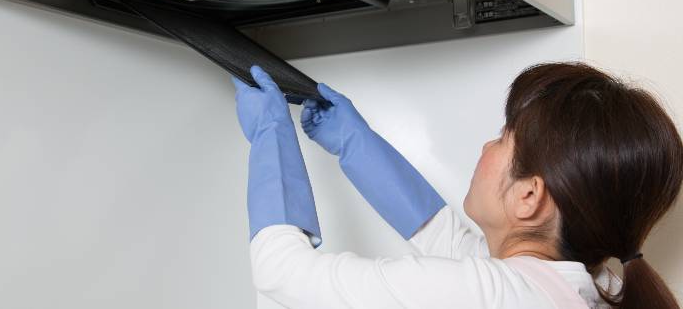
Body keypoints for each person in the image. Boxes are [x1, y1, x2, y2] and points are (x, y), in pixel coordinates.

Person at [231, 62, 682, 309]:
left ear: (529, 196)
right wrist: (356, 144)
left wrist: (271, 134)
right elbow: (446, 240)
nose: (488, 144)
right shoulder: (598, 286)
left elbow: (280, 273)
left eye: (503, 137)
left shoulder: (488, 295)